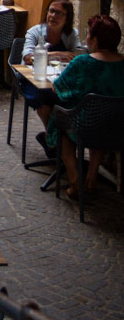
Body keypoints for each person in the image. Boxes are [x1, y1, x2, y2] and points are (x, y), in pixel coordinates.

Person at [44, 14, 124, 200]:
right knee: (102, 120)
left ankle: (74, 180)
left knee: (63, 125)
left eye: (88, 35)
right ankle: (91, 178)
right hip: (117, 127)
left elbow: (59, 88)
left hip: (86, 126)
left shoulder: (83, 62)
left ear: (95, 40)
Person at [23, 0, 80, 65]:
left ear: (67, 18)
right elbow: (27, 58)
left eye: (59, 13)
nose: (53, 16)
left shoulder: (72, 33)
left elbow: (78, 57)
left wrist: (40, 56)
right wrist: (58, 54)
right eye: (51, 11)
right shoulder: (34, 32)